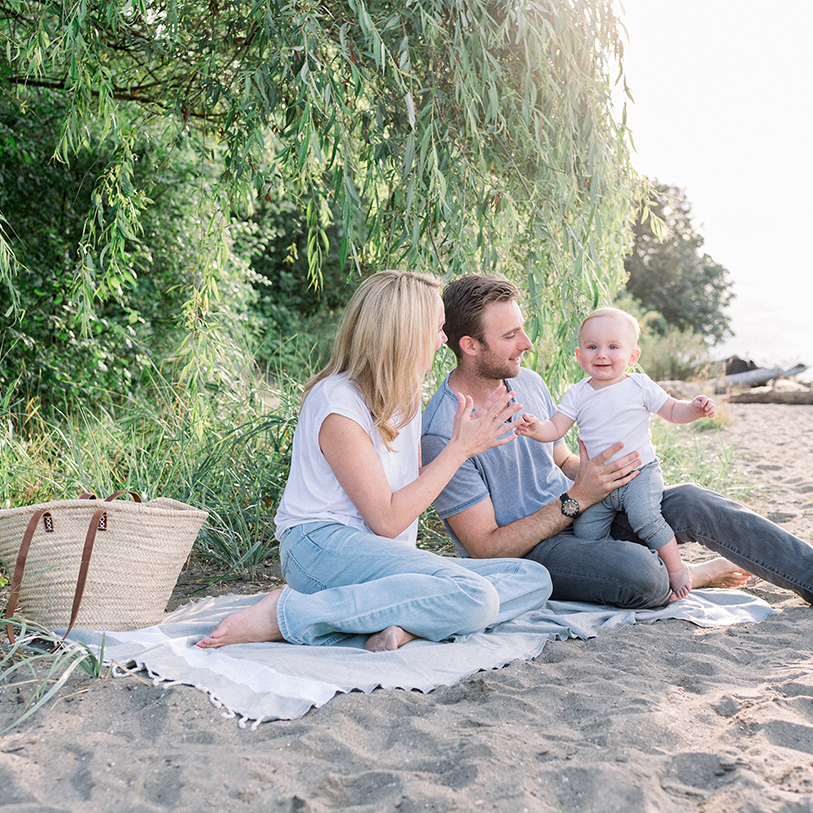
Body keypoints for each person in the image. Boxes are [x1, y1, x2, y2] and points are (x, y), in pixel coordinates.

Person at [199, 271, 552, 652]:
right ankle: (287, 614)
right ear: (405, 334)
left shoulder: (406, 395)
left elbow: (410, 493)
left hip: (382, 554)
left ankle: (406, 625)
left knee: (531, 576)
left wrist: (466, 446)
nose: (443, 340)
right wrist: (458, 450)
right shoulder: (338, 403)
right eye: (436, 328)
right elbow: (386, 520)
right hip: (319, 548)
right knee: (476, 597)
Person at [422, 273, 813, 609]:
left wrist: (618, 479)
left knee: (694, 501)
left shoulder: (526, 382)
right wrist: (579, 497)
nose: (527, 343)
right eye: (510, 335)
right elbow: (486, 550)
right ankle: (695, 574)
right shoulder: (442, 433)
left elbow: (559, 459)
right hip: (536, 550)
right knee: (641, 574)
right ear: (470, 346)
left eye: (522, 329)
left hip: (588, 509)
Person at [515, 307, 716, 601]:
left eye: (613, 347)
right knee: (586, 533)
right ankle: (628, 560)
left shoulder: (639, 386)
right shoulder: (577, 394)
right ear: (579, 355)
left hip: (638, 474)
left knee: (645, 517)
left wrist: (693, 409)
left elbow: (672, 410)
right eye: (592, 347)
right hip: (598, 485)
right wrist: (536, 428)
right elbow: (556, 427)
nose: (601, 354)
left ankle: (677, 569)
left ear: (632, 356)